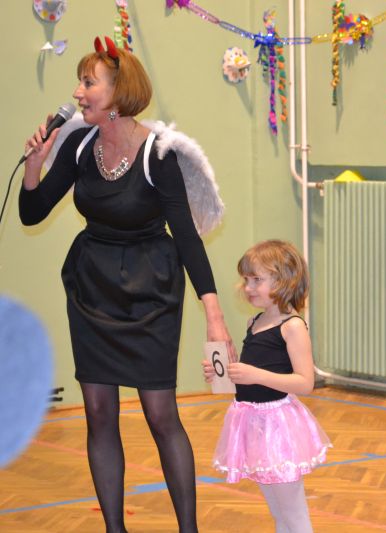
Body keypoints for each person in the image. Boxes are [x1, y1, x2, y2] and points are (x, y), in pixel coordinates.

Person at [19, 36, 232, 533]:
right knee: (98, 413)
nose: (78, 92)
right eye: (80, 82)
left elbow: (187, 238)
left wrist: (215, 316)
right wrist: (35, 164)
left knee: (160, 414)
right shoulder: (78, 143)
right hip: (92, 287)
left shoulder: (159, 154)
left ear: (118, 92)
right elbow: (32, 213)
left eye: (88, 82)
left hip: (151, 290)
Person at [203, 240, 331, 533]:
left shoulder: (292, 326)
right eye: (246, 280)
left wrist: (255, 375)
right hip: (252, 422)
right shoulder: (255, 321)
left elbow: (305, 382)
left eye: (256, 280)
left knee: (294, 513)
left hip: (278, 427)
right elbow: (250, 375)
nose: (247, 287)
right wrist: (223, 373)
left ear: (284, 281)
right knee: (279, 512)